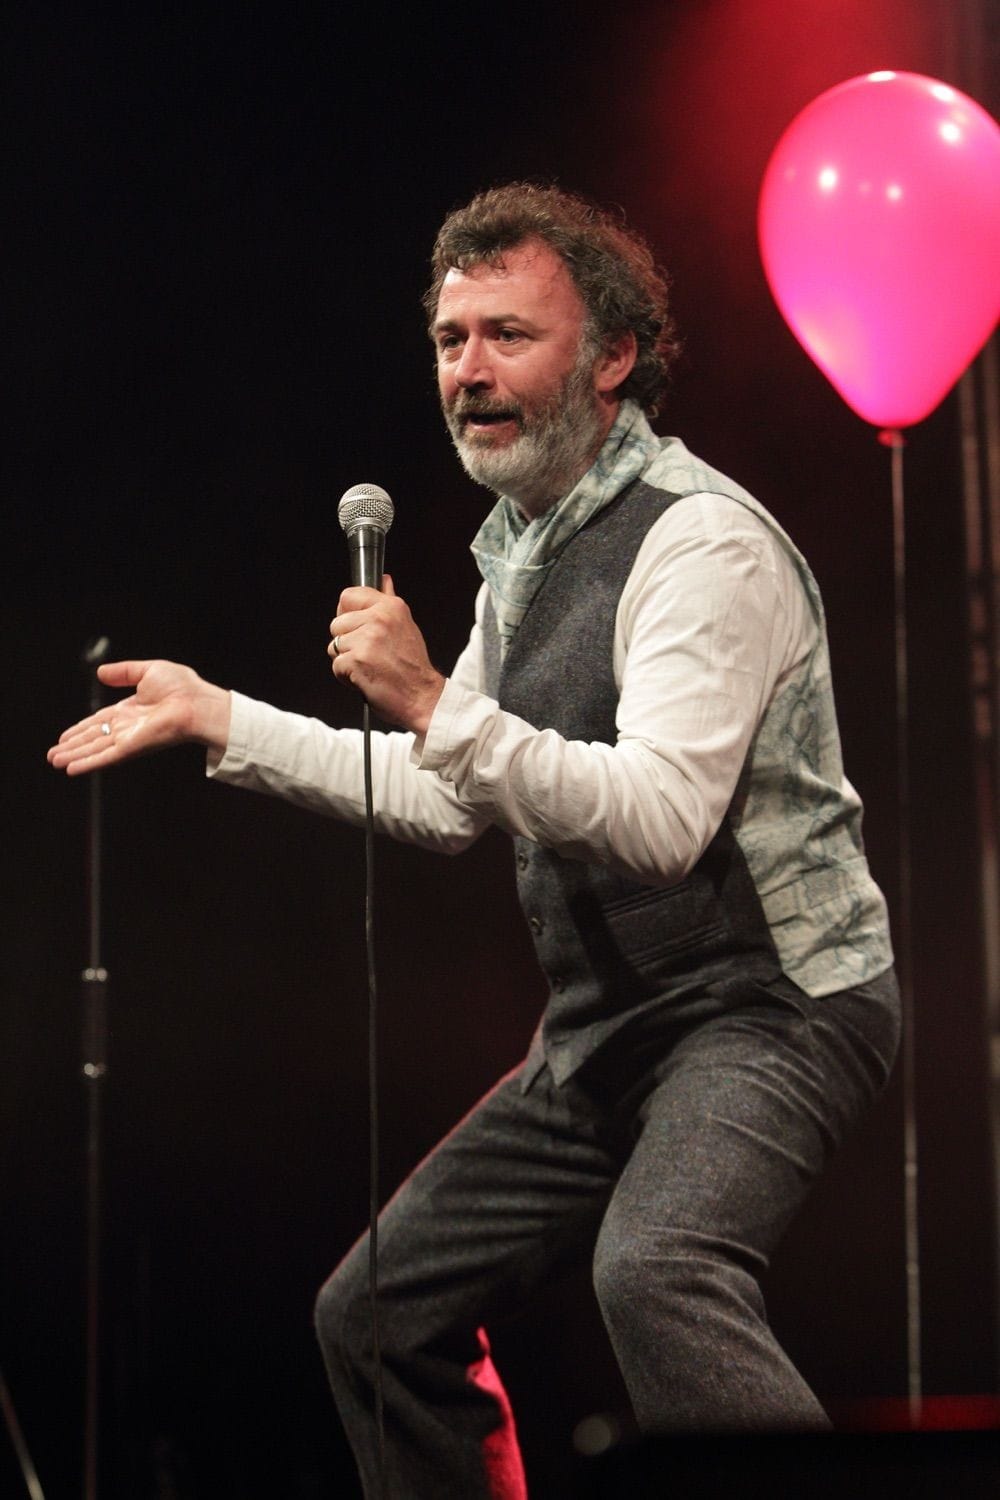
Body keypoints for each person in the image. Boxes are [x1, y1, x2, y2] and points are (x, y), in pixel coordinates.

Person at [49, 183, 899, 1498]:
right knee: (378, 1313)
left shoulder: (701, 545)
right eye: (451, 341)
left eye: (508, 335)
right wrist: (221, 718)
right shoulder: (526, 553)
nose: (468, 371)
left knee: (658, 1267)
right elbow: (455, 796)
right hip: (609, 1029)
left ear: (611, 358)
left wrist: (439, 700)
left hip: (772, 1006)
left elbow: (664, 821)